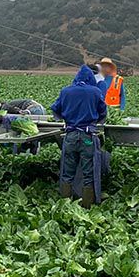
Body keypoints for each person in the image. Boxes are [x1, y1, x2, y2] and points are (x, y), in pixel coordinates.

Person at [51, 66, 108, 208]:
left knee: (67, 172)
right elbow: (102, 112)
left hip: (70, 135)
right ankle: (87, 206)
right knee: (88, 172)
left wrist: (65, 118)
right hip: (87, 136)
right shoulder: (95, 91)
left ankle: (65, 206)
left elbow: (55, 109)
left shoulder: (66, 91)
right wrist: (95, 121)